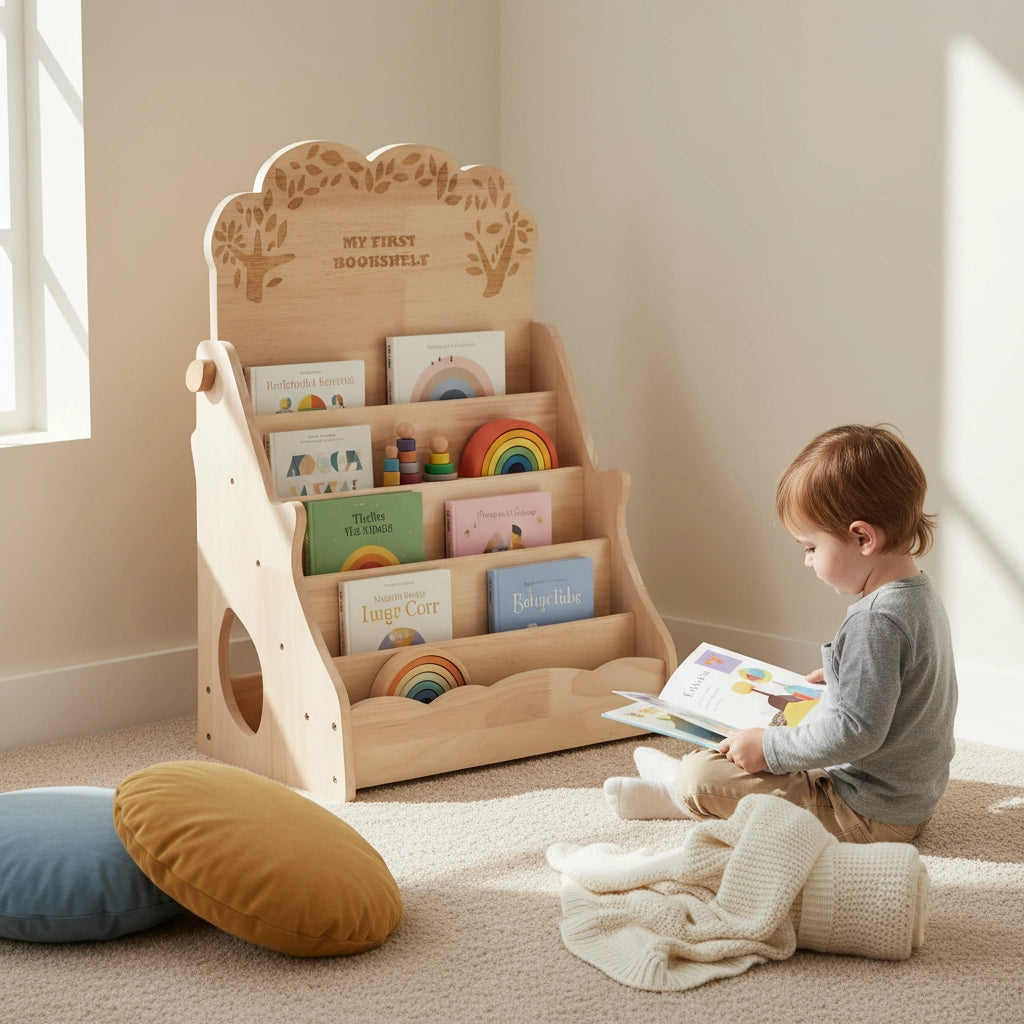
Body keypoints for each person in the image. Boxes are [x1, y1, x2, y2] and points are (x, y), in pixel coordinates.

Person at [604, 423, 958, 843]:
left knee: (704, 774)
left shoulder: (876, 620)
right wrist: (846, 678)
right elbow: (913, 683)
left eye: (810, 547)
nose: (807, 562)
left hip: (868, 815)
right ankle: (690, 785)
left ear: (862, 537)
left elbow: (857, 732)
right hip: (904, 797)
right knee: (748, 748)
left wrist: (770, 748)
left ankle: (679, 795)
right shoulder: (917, 595)